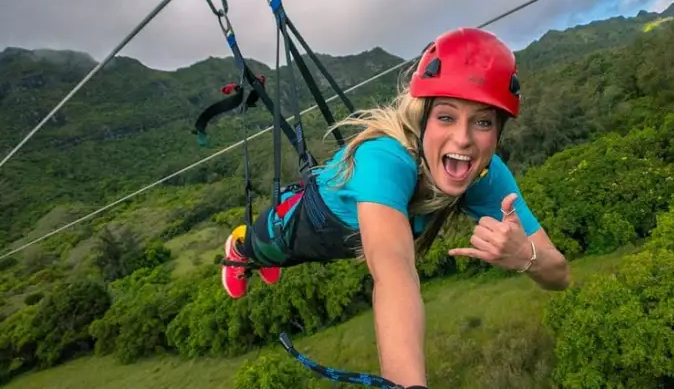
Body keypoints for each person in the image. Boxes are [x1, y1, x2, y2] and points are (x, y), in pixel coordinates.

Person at [221, 27, 570, 388]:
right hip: (313, 220)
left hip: (350, 238)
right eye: (446, 117)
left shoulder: (486, 175)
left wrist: (525, 256)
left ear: (499, 130)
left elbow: (559, 274)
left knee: (291, 255)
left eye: (482, 122)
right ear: (422, 118)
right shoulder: (385, 157)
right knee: (269, 246)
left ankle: (265, 259)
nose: (463, 139)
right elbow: (393, 272)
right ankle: (243, 250)